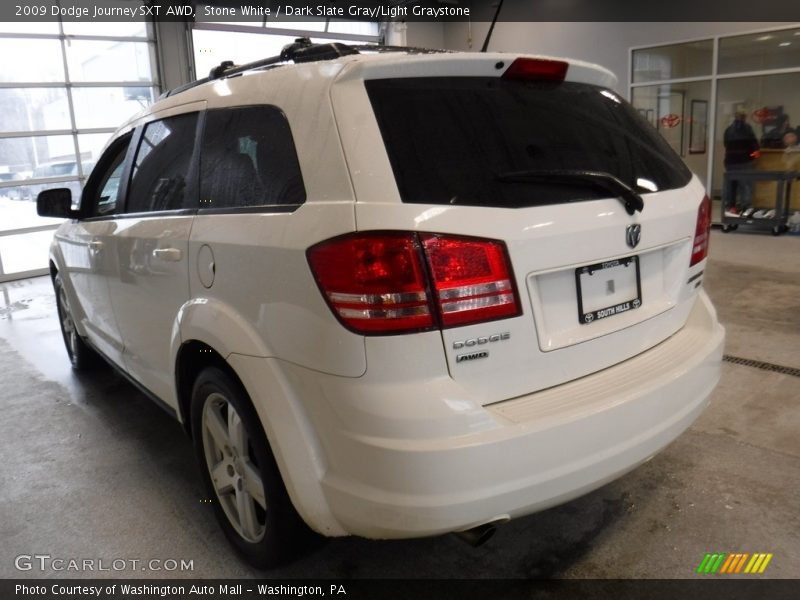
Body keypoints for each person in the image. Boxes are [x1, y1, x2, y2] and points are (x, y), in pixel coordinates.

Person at [723, 110, 760, 215]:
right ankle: (745, 207)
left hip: (730, 162)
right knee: (746, 186)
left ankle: (730, 207)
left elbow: (726, 145)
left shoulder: (728, 130)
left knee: (731, 185)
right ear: (744, 117)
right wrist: (754, 158)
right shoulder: (747, 129)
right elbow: (754, 146)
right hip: (744, 161)